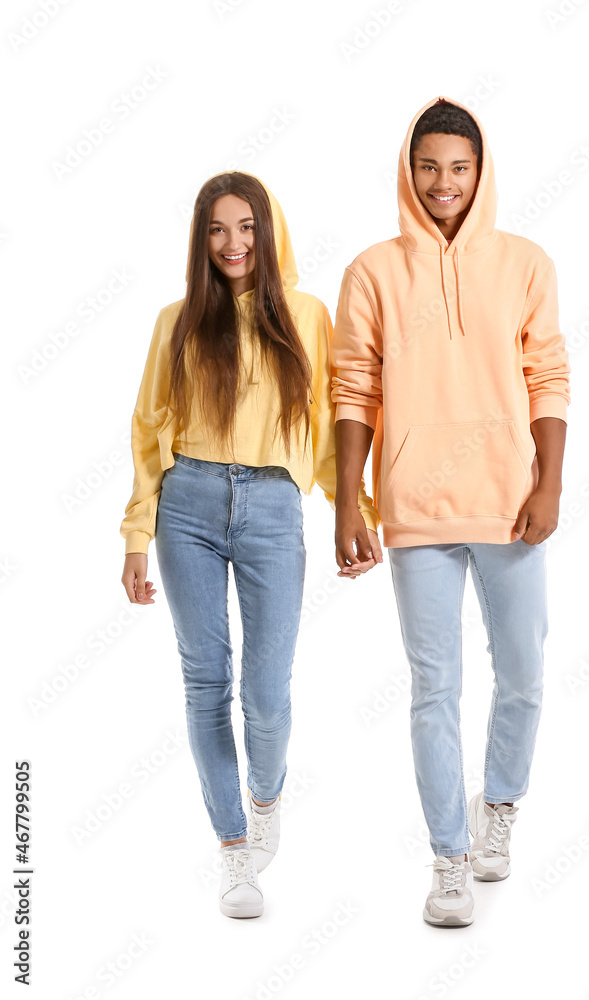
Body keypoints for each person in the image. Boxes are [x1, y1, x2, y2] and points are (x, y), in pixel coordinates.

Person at [331, 96, 570, 926]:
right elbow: (353, 388)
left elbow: (548, 375)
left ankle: (496, 807)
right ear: (409, 170)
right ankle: (447, 859)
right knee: (434, 687)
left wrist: (549, 481)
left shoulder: (524, 263)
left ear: (481, 172)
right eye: (428, 167)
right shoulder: (371, 271)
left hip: (509, 503)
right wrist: (346, 504)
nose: (443, 184)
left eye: (458, 169)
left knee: (526, 677)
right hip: (416, 506)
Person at [119, 171, 379, 919]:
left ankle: (264, 798)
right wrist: (138, 534)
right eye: (216, 229)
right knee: (206, 684)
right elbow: (146, 432)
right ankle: (233, 852)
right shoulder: (176, 321)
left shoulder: (306, 314)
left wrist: (353, 512)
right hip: (188, 505)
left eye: (246, 227)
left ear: (269, 231)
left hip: (272, 506)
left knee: (265, 694)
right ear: (201, 241)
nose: (233, 243)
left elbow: (328, 429)